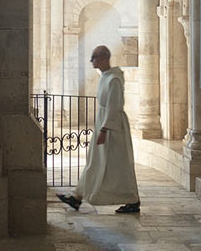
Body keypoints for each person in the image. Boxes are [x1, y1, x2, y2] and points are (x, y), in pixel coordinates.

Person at [57, 45, 141, 214]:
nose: (91, 61)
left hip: (112, 128)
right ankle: (77, 196)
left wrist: (104, 130)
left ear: (103, 58)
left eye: (94, 57)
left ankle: (133, 200)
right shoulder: (105, 77)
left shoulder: (114, 79)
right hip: (103, 124)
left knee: (119, 166)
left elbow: (114, 106)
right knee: (94, 162)